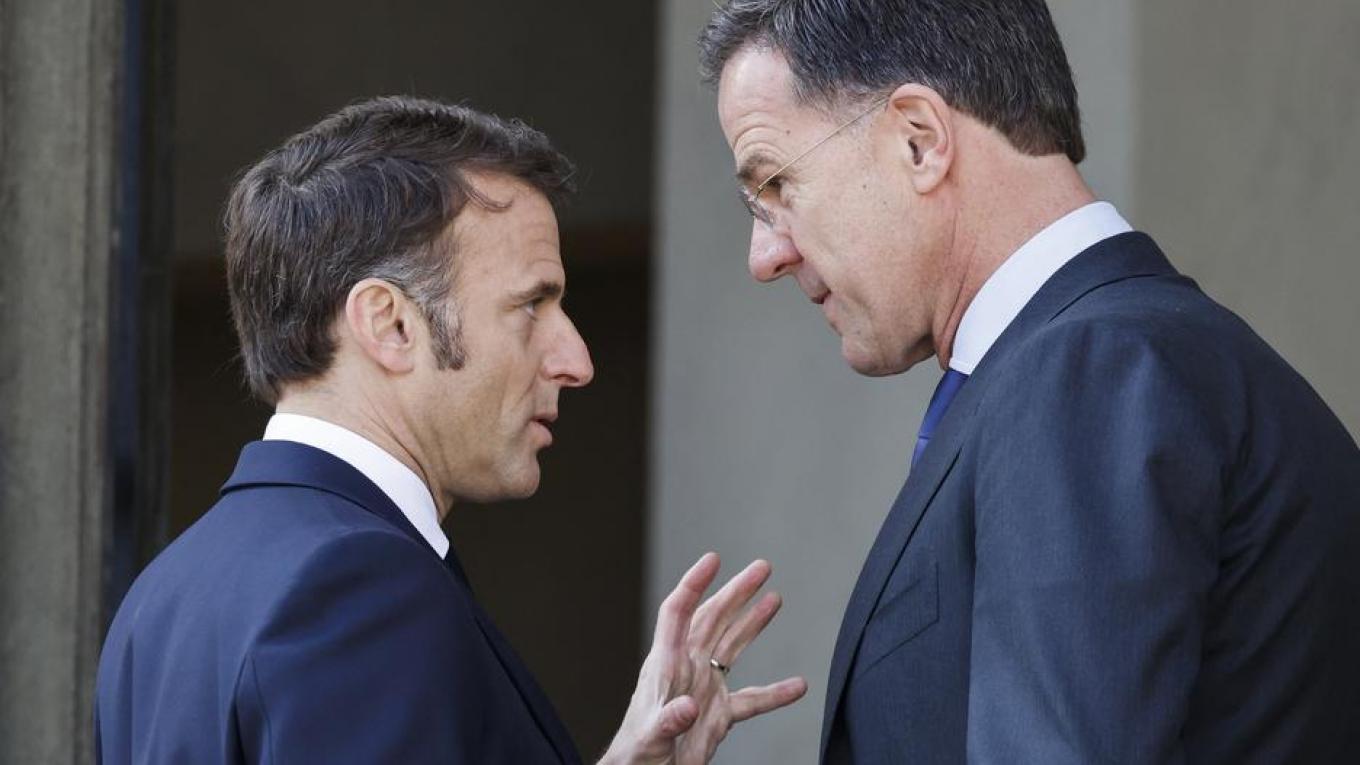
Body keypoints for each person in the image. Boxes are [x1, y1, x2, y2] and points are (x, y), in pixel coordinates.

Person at [699, 1, 1360, 762]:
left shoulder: (1088, 372)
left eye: (776, 184)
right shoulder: (1130, 357)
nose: (764, 256)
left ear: (919, 140)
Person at [94, 96, 806, 764]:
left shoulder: (160, 598)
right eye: (531, 305)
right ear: (390, 324)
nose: (577, 360)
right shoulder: (358, 589)